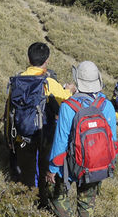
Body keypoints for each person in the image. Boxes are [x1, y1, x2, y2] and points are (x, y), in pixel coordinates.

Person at [46, 61, 118, 217]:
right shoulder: (107, 106)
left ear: (77, 80)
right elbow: (113, 140)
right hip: (97, 165)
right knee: (87, 201)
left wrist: (52, 169)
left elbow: (60, 141)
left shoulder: (68, 107)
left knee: (57, 196)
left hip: (72, 165)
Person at [5, 42, 76, 204]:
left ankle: (27, 203)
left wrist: (9, 138)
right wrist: (70, 90)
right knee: (45, 170)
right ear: (47, 61)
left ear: (28, 58)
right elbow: (66, 102)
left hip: (22, 136)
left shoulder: (17, 81)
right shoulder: (48, 83)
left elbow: (9, 111)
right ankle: (43, 204)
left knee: (27, 173)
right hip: (44, 136)